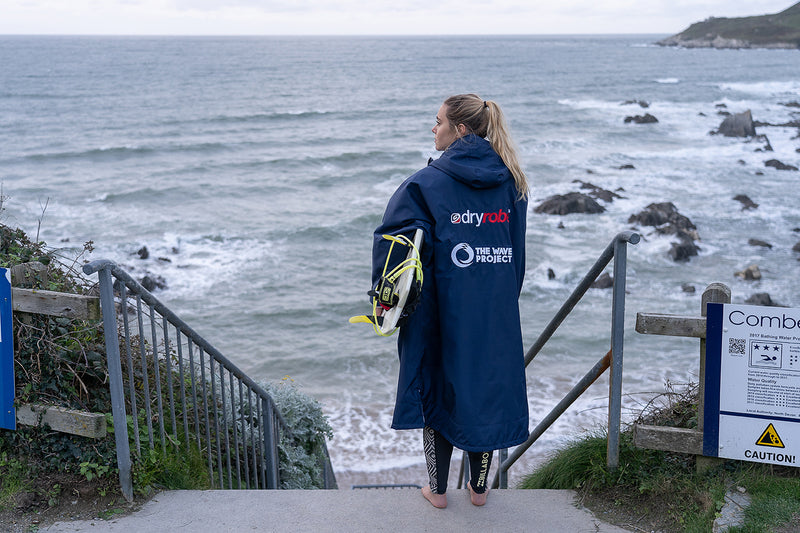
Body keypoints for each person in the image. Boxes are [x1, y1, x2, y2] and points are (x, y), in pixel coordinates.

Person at [371, 94, 529, 508]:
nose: (433, 128)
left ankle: (438, 492)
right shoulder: (512, 180)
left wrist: (386, 305)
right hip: (493, 313)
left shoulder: (426, 183)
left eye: (438, 121)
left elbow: (393, 244)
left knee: (436, 390)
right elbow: (517, 258)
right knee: (485, 391)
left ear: (460, 130)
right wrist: (496, 303)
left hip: (439, 312)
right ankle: (479, 490)